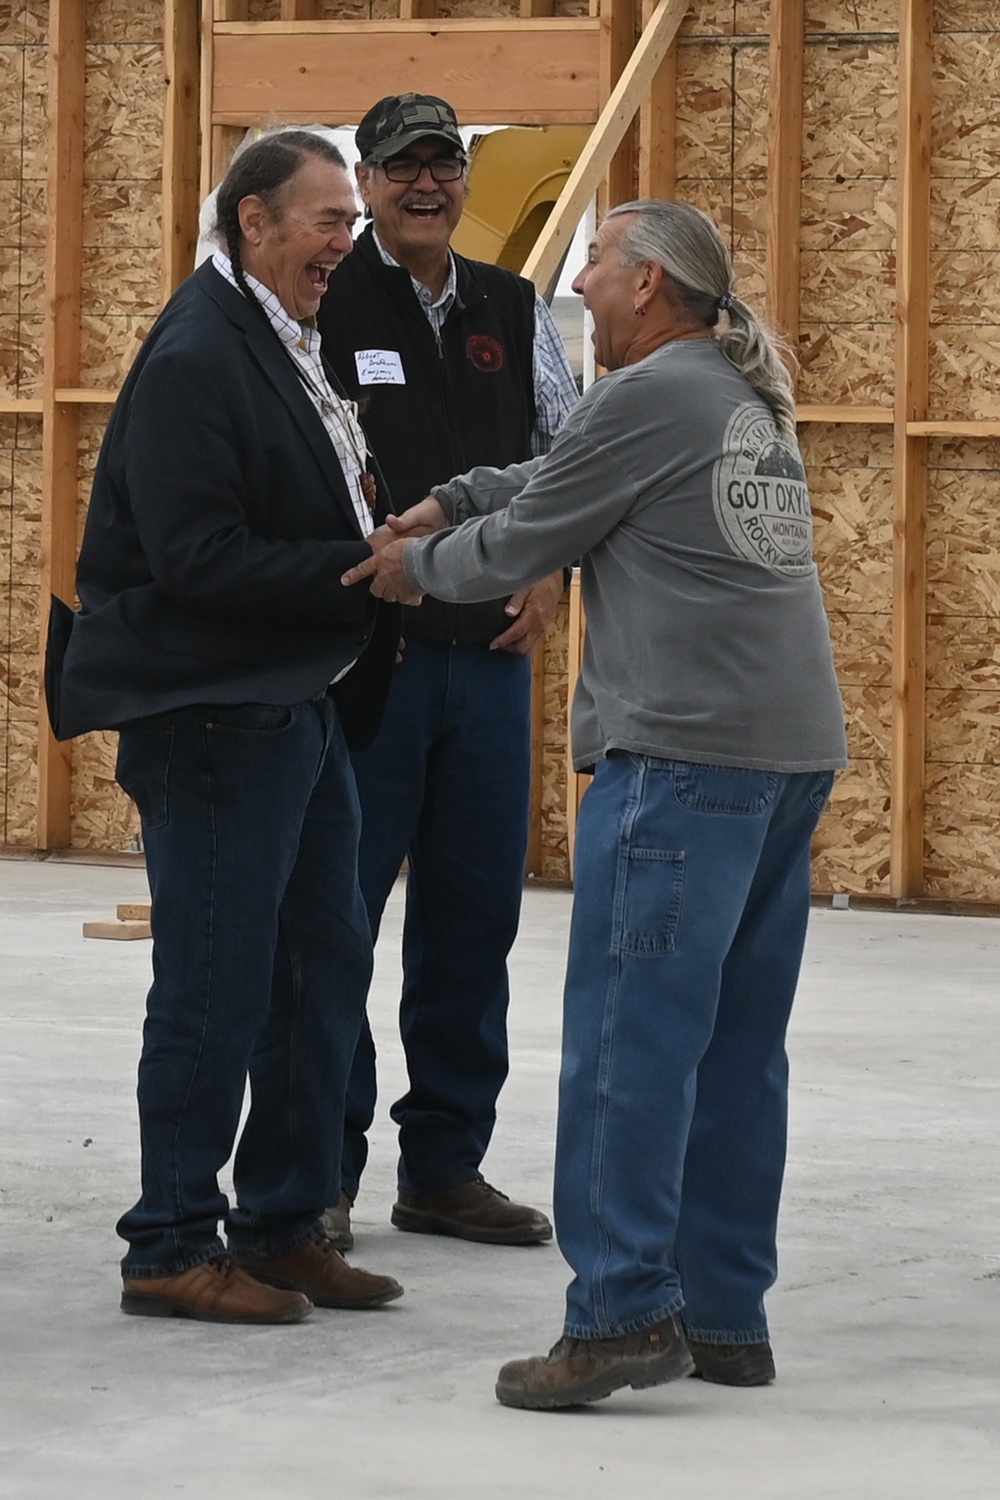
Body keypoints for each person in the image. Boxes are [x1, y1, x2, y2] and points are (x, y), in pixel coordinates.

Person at [344, 199, 848, 1407]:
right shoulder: (723, 396)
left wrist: (416, 567)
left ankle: (621, 1310)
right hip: (782, 756)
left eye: (596, 266)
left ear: (653, 285)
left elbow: (538, 533)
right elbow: (550, 473)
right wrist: (459, 492)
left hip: (680, 762)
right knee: (734, 1052)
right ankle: (725, 1315)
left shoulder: (649, 394)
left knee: (630, 1048)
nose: (577, 283)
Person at [44, 132, 406, 1324]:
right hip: (210, 716)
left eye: (348, 222)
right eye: (325, 220)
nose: (344, 242)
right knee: (217, 982)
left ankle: (286, 1224)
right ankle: (168, 1243)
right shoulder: (201, 352)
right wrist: (361, 566)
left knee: (321, 969)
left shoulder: (284, 338)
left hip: (290, 700)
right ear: (251, 223)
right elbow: (194, 561)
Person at [315, 94, 579, 1248]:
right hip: (364, 665)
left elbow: (566, 459)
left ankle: (445, 1168)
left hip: (488, 663)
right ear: (365, 183)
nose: (426, 184)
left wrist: (551, 572)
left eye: (443, 165)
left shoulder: (513, 307)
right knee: (336, 920)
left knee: (473, 923)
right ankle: (317, 1171)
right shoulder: (324, 296)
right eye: (401, 166)